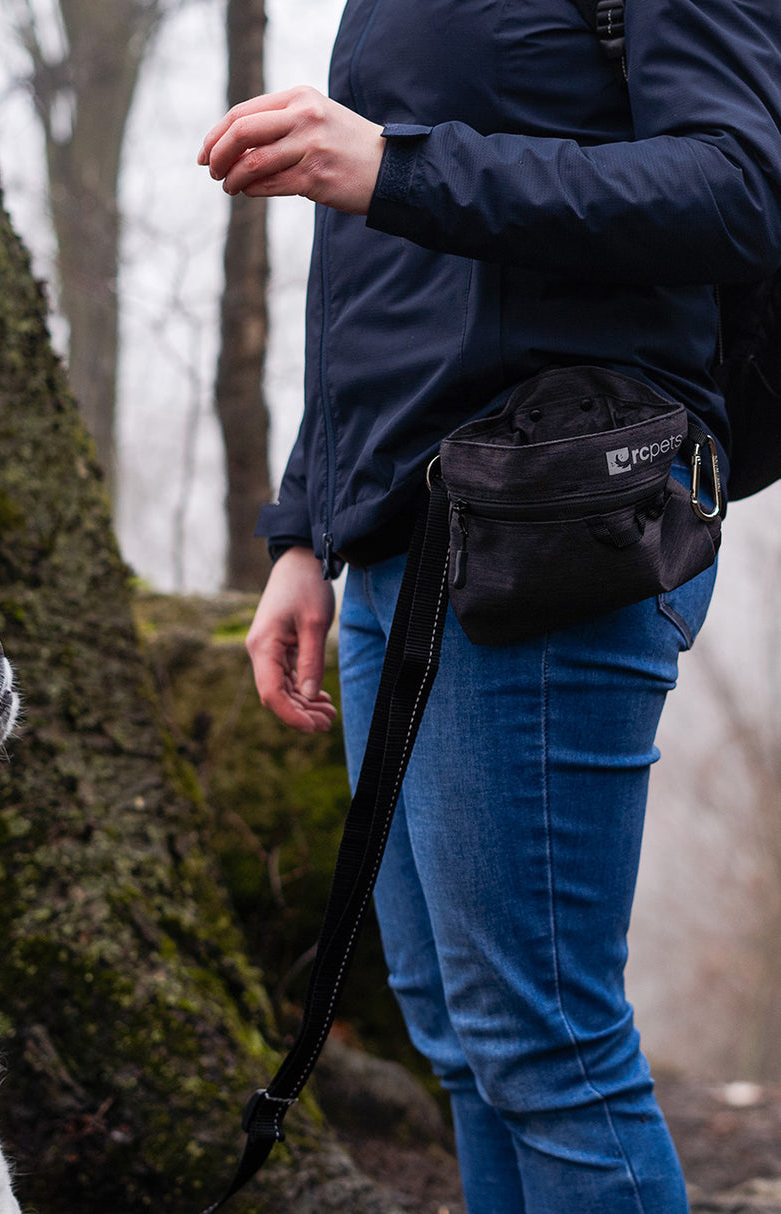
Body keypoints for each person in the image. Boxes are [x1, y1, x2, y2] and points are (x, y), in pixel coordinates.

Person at [198, 3, 781, 1212]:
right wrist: (306, 525)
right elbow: (378, 276)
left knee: (543, 1041)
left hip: (545, 523)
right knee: (464, 1040)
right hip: (394, 539)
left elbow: (732, 189)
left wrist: (396, 165)